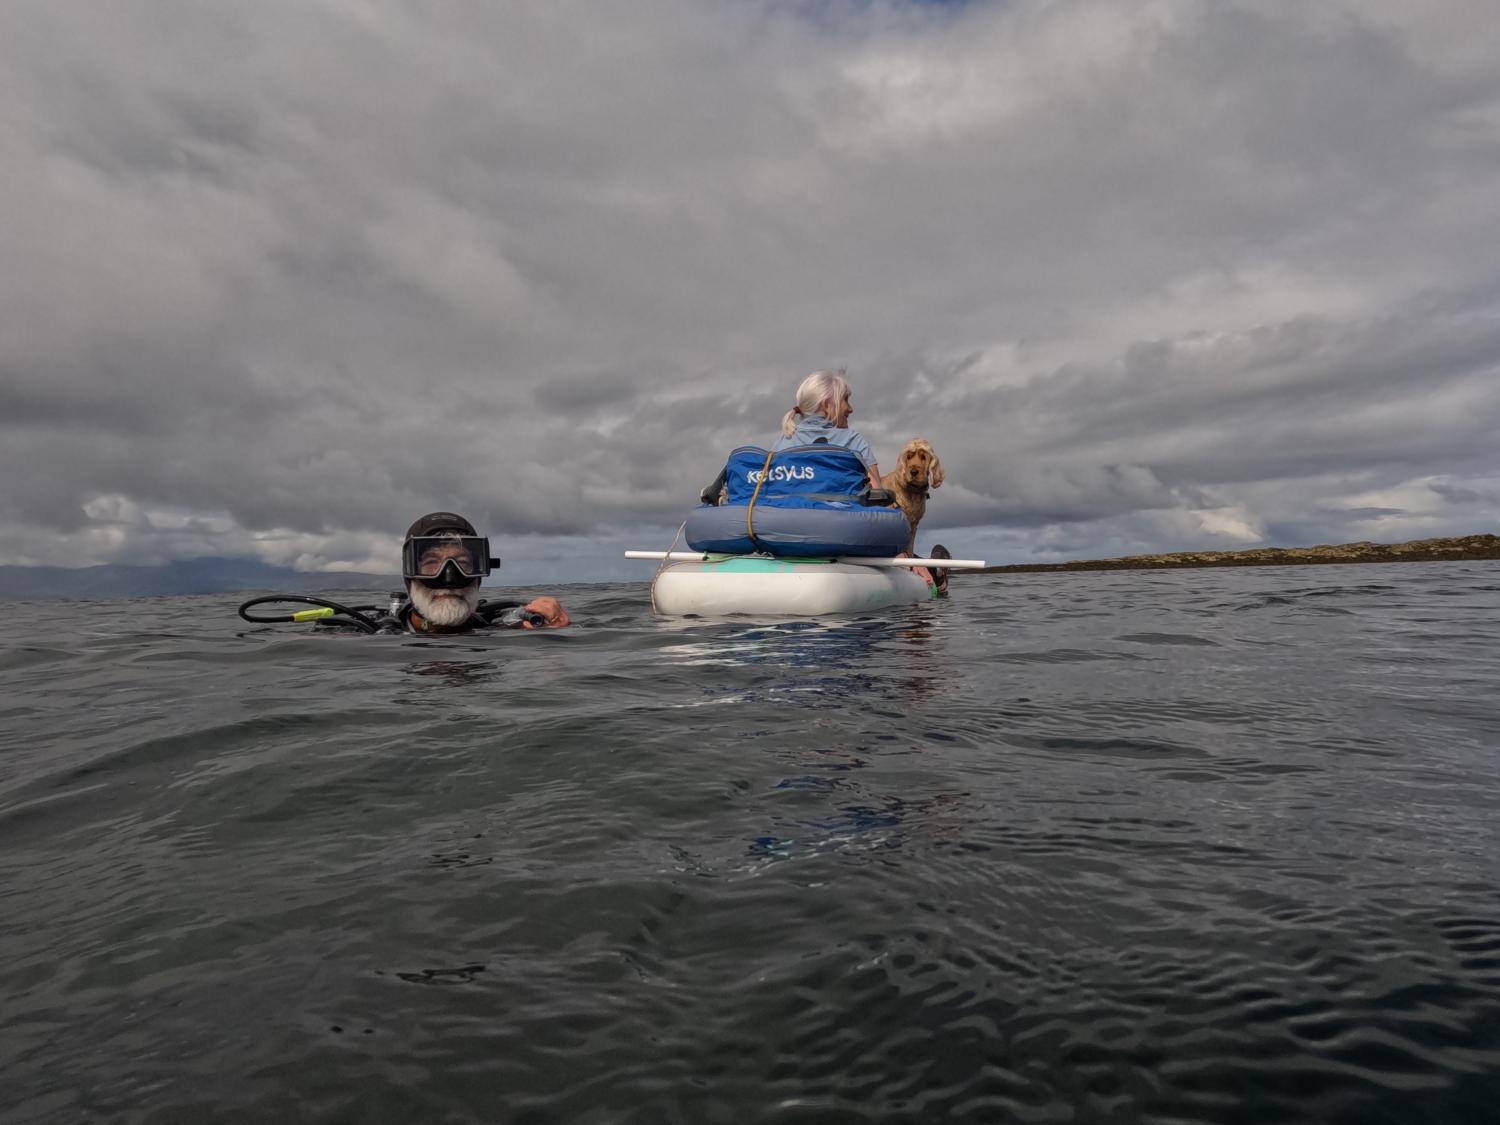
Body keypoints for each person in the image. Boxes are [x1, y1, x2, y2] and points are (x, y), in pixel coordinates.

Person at [395, 512, 570, 633]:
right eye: (431, 563)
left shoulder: (503, 628)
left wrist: (555, 632)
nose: (449, 578)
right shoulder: (375, 635)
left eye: (462, 563)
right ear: (410, 575)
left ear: (479, 575)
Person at [773, 369, 883, 491]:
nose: (850, 408)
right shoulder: (854, 441)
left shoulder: (782, 443)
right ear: (826, 405)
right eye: (845, 399)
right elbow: (877, 495)